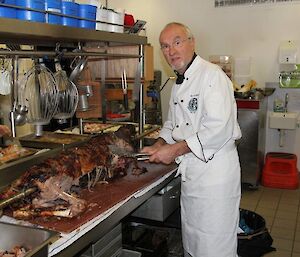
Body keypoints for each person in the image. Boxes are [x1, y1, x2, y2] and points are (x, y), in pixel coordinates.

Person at [142, 22, 242, 257]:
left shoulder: (212, 76)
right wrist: (160, 143)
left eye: (177, 42)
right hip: (193, 177)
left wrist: (175, 150)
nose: (171, 51)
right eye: (165, 46)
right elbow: (172, 124)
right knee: (195, 244)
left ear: (192, 42)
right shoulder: (179, 83)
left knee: (215, 248)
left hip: (215, 177)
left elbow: (219, 129)